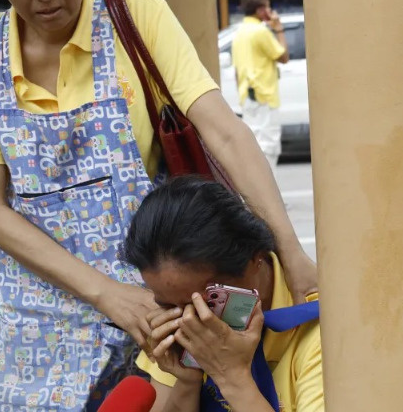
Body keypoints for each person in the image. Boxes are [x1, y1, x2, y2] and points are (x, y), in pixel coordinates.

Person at [0, 0, 317, 409]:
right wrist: (107, 294)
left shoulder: (137, 16)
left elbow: (225, 132)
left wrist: (290, 251)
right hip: (37, 329)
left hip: (161, 309)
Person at [126, 177, 323, 412]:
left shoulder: (325, 336)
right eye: (169, 306)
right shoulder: (177, 324)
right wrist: (187, 382)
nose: (190, 321)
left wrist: (232, 377)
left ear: (254, 258)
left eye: (208, 303)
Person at [232, 0, 291, 174]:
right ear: (259, 10)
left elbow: (236, 70)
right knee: (269, 147)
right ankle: (269, 198)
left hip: (248, 96)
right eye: (267, 6)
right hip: (263, 95)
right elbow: (283, 56)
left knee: (255, 146)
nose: (270, 10)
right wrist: (279, 28)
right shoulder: (260, 31)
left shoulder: (240, 32)